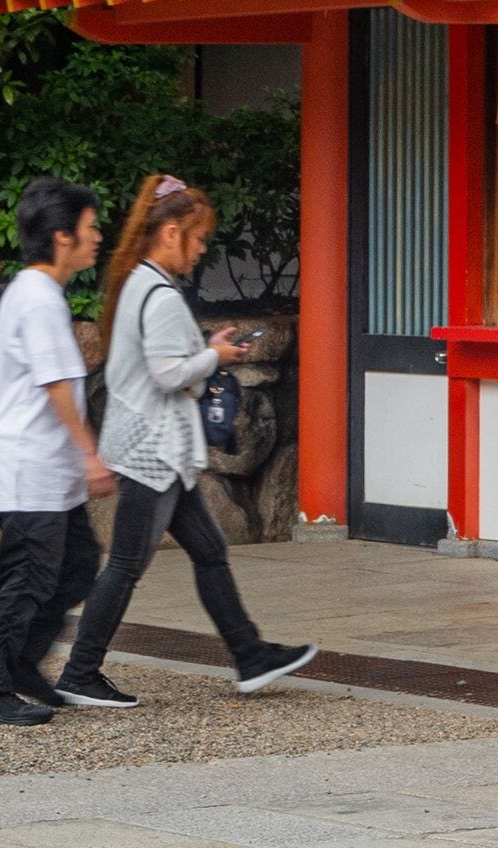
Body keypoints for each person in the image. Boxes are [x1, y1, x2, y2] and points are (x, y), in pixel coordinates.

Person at [51, 175, 318, 707]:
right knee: (128, 563)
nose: (200, 251)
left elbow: (165, 364)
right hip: (155, 450)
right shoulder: (160, 293)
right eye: (197, 240)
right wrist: (215, 357)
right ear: (170, 233)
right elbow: (171, 375)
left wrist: (207, 351)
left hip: (154, 447)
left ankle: (250, 656)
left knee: (209, 551)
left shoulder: (137, 284)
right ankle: (80, 672)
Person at [0, 178, 109, 725]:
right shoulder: (38, 296)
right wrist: (91, 455)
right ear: (62, 236)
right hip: (28, 466)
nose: (97, 238)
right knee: (27, 580)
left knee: (76, 567)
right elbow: (56, 386)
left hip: (46, 466)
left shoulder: (38, 292)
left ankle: (18, 665)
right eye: (90, 228)